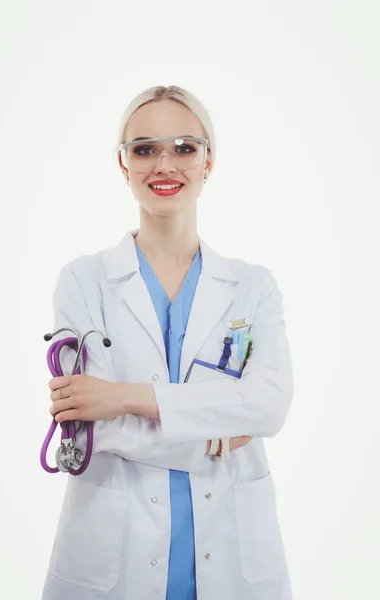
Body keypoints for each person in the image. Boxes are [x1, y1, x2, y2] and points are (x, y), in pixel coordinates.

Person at [41, 85, 294, 600]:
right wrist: (220, 434)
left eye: (184, 147)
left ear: (208, 161)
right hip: (113, 556)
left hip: (233, 554)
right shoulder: (84, 281)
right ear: (122, 163)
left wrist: (124, 398)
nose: (164, 164)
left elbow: (269, 406)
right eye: (144, 148)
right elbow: (92, 433)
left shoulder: (253, 286)